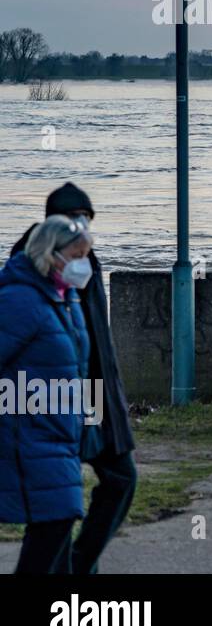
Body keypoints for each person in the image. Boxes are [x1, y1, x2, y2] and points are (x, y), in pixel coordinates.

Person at [9, 183, 135, 574]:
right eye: (74, 217)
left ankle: (79, 568)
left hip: (91, 392)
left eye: (86, 217)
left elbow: (89, 336)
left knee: (110, 482)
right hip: (58, 400)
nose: (82, 224)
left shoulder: (80, 260)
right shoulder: (36, 262)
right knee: (62, 502)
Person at [0, 216, 94, 573]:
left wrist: (89, 421)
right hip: (29, 436)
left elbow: (78, 370)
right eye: (76, 254)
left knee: (56, 534)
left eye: (86, 254)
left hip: (59, 434)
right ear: (49, 254)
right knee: (54, 524)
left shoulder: (65, 297)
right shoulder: (20, 300)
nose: (83, 264)